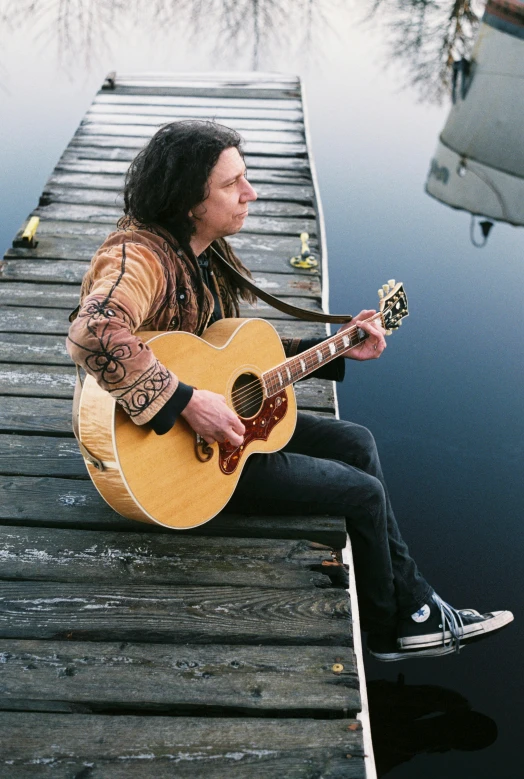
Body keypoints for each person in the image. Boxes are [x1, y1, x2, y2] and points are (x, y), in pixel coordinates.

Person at [67, 120, 513, 661]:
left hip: (204, 428)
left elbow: (225, 352)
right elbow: (92, 333)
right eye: (232, 185)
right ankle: (404, 620)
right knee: (364, 492)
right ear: (189, 201)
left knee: (358, 443)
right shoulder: (138, 257)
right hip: (174, 461)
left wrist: (336, 348)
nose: (250, 193)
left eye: (246, 178)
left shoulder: (202, 251)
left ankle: (407, 612)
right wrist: (187, 402)